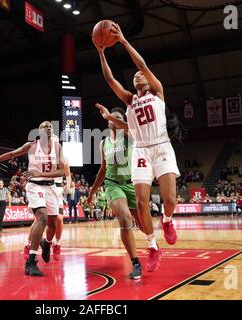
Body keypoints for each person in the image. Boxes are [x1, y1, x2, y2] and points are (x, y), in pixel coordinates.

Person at [94, 23, 180, 267]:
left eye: (140, 75)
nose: (138, 75)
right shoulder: (129, 100)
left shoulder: (157, 92)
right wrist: (101, 53)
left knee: (170, 199)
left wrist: (122, 41)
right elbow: (110, 79)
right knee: (141, 202)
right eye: (134, 77)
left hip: (162, 146)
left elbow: (142, 65)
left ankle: (167, 219)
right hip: (141, 149)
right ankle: (153, 246)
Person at [0, 121, 66, 277]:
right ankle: (30, 262)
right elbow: (10, 154)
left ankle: (47, 243)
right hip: (35, 186)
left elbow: (62, 171)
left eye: (50, 127)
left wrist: (41, 174)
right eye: (45, 126)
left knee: (53, 224)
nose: (48, 128)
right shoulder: (31, 145)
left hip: (51, 188)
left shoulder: (57, 147)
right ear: (39, 131)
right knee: (41, 218)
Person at [87, 106, 146, 278]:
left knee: (142, 224)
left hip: (132, 183)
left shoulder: (129, 135)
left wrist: (112, 117)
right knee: (125, 218)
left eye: (117, 117)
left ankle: (152, 245)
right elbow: (103, 169)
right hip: (113, 184)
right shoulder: (103, 143)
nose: (113, 119)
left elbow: (127, 127)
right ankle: (135, 262)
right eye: (111, 117)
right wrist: (92, 192)